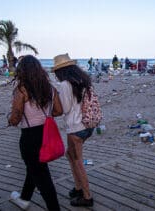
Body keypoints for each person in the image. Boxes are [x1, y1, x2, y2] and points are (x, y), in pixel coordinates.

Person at [8, 55, 63, 211]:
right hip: (46, 133)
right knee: (34, 168)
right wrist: (45, 113)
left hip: (30, 137)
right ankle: (24, 199)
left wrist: (11, 120)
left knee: (41, 175)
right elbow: (59, 111)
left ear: (22, 71)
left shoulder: (21, 90)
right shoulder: (50, 88)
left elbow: (16, 117)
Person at [53, 54, 95, 207]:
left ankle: (87, 196)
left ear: (60, 71)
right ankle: (78, 188)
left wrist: (55, 98)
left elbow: (64, 109)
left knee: (77, 161)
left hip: (76, 128)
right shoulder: (84, 80)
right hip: (87, 126)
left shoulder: (65, 84)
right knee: (70, 155)